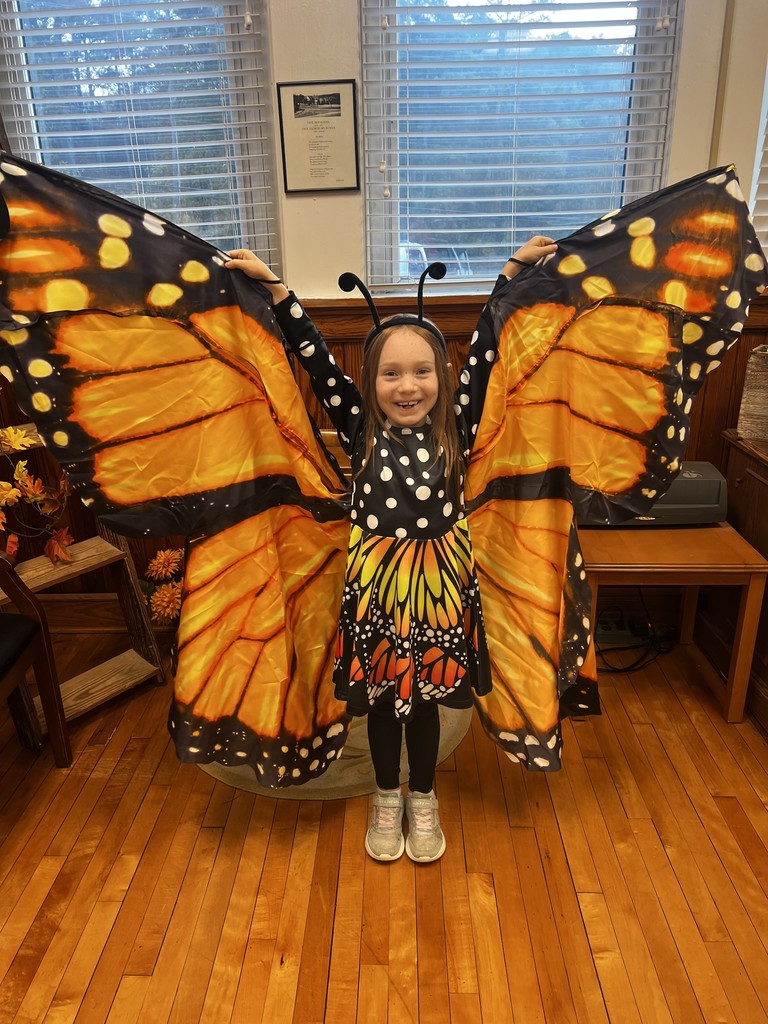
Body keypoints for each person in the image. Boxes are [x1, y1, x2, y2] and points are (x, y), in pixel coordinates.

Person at [224, 237, 557, 862]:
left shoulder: (458, 424)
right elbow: (314, 358)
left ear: (442, 377)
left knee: (425, 700)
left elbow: (488, 345)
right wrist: (276, 290)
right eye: (392, 373)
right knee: (380, 701)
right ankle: (386, 793)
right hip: (377, 589)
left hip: (440, 590)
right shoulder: (359, 426)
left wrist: (511, 272)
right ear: (370, 381)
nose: (408, 386)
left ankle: (422, 798)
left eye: (423, 371)